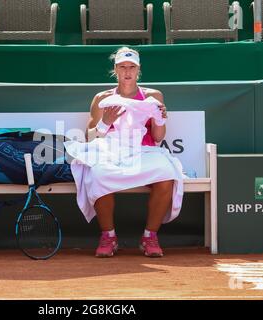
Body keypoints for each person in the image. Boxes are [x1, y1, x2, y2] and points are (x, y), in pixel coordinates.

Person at [64, 47, 184, 258]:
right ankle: (108, 236)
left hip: (144, 151)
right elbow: (90, 137)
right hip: (109, 150)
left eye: (131, 67)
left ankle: (149, 237)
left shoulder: (153, 96)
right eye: (122, 67)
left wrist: (161, 119)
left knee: (167, 174)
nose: (127, 72)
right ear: (115, 70)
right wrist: (105, 122)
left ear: (139, 70)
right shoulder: (102, 98)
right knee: (98, 174)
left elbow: (157, 138)